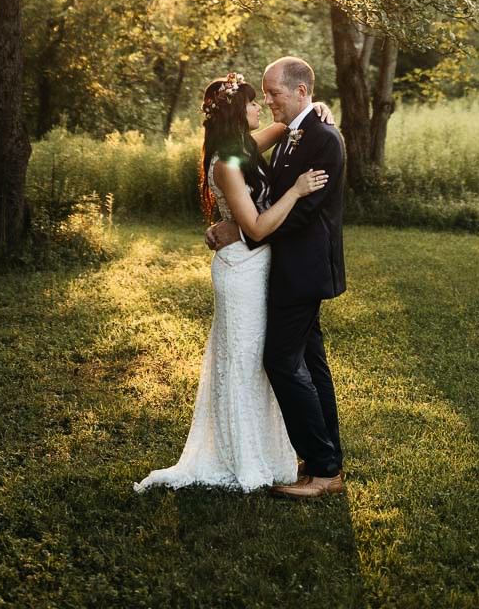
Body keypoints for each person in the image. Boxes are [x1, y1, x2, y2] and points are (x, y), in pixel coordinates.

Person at [134, 73, 328, 493]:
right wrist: (293, 192)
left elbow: (287, 125)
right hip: (241, 270)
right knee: (242, 360)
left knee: (260, 360)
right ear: (237, 113)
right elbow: (257, 228)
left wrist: (319, 109)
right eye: (253, 103)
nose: (261, 107)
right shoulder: (226, 161)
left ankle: (271, 452)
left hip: (258, 267)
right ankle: (241, 455)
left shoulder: (243, 148)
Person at [206, 55, 347, 500]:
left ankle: (324, 468)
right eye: (260, 97)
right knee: (310, 363)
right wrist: (242, 224)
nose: (267, 103)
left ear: (301, 92)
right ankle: (326, 460)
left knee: (283, 362)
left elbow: (303, 211)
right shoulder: (278, 136)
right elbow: (268, 196)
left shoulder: (322, 138)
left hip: (301, 270)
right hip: (276, 269)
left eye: (273, 94)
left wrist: (243, 230)